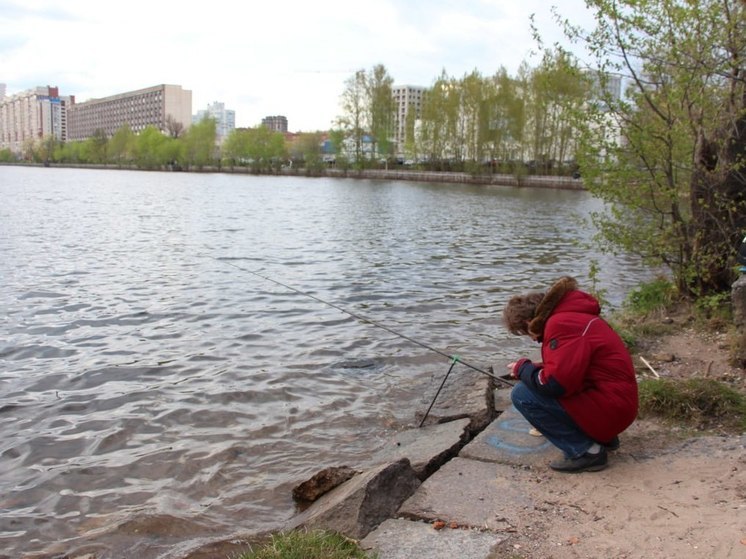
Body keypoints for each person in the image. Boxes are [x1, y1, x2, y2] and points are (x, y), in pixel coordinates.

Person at [502, 276, 638, 472]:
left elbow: (555, 384)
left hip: (613, 410)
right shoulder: (573, 317)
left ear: (529, 322)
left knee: (522, 395)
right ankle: (601, 437)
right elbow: (573, 370)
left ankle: (586, 451)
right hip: (618, 405)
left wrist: (522, 368)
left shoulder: (561, 325)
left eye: (526, 333)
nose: (532, 340)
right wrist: (535, 368)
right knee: (533, 383)